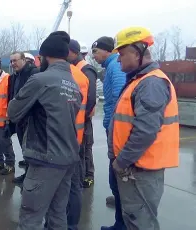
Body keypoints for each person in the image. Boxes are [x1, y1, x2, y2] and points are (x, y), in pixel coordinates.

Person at [8, 31, 82, 230]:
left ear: (45, 56)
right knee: (58, 215)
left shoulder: (41, 79)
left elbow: (13, 111)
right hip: (68, 157)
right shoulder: (73, 84)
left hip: (45, 158)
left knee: (31, 215)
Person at [110, 26, 179, 230]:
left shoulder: (151, 84)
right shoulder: (139, 81)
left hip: (141, 169)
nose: (118, 59)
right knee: (134, 219)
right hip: (136, 166)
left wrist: (121, 161)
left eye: (122, 54)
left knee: (141, 222)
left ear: (137, 51)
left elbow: (145, 131)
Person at [92, 36, 127, 230]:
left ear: (106, 50)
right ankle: (120, 217)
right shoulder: (112, 66)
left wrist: (113, 128)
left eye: (95, 52)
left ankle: (121, 224)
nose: (94, 56)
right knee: (115, 174)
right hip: (113, 128)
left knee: (117, 173)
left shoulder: (115, 67)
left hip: (116, 130)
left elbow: (120, 100)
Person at [69, 39, 98, 189]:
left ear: (73, 52)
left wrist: (84, 115)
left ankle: (88, 175)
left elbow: (91, 97)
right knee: (80, 148)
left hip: (83, 118)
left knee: (86, 147)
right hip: (77, 118)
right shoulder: (74, 68)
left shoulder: (86, 69)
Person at [7, 51, 39, 184]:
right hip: (19, 118)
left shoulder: (33, 74)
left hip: (30, 118)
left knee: (30, 149)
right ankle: (27, 174)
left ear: (24, 60)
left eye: (15, 60)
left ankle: (31, 177)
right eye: (11, 61)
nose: (13, 63)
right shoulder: (15, 76)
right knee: (24, 147)